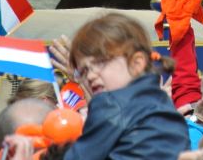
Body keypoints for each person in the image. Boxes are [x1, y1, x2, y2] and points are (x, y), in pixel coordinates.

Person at [64, 12, 188, 160]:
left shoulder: (109, 104)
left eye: (100, 62)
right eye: (84, 70)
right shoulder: (165, 105)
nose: (90, 76)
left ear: (137, 63)